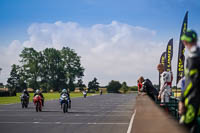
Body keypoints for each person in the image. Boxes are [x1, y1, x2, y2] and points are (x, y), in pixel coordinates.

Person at [178, 30, 200, 133]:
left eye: (184, 41)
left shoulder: (193, 57)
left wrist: (182, 100)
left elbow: (191, 82)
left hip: (193, 99)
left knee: (183, 126)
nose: (184, 44)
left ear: (187, 41)